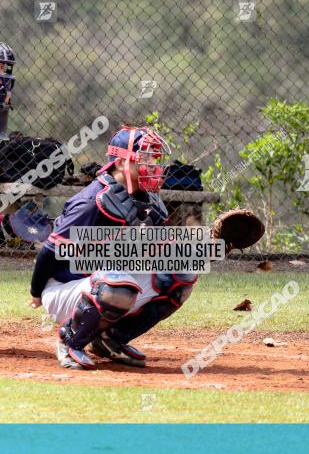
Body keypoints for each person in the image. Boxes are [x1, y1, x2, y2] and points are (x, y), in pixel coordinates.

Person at [28, 125, 198, 370]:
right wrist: (36, 293)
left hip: (105, 279)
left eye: (154, 158)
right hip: (64, 287)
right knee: (118, 283)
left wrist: (218, 244)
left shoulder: (146, 199)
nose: (152, 165)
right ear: (120, 163)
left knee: (182, 271)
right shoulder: (91, 202)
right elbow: (49, 252)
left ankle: (110, 340)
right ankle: (70, 340)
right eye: (144, 158)